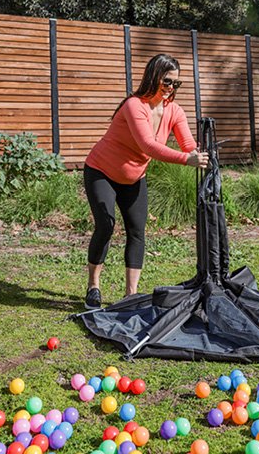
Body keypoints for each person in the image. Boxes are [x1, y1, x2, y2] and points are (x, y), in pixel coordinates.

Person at [83, 53, 209, 309]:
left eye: (176, 84)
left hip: (134, 177)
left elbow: (188, 144)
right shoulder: (134, 105)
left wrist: (201, 153)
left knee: (137, 231)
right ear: (153, 77)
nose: (171, 88)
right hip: (101, 171)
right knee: (106, 225)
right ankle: (93, 287)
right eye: (167, 82)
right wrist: (187, 160)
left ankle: (131, 296)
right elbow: (148, 146)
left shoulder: (174, 111)